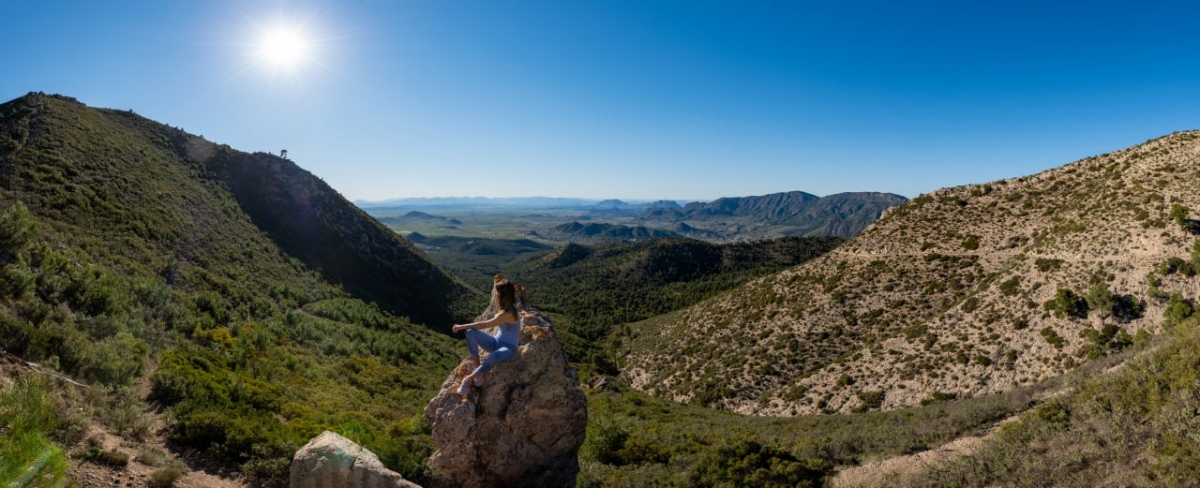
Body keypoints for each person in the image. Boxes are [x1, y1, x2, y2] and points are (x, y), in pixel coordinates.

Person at [451, 279, 523, 395]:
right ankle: (478, 370)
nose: (495, 294)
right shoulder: (503, 310)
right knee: (470, 332)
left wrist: (461, 326)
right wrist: (465, 328)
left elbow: (483, 325)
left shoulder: (509, 314)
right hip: (496, 343)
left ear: (502, 295)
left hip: (509, 350)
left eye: (497, 292)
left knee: (494, 355)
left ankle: (469, 379)